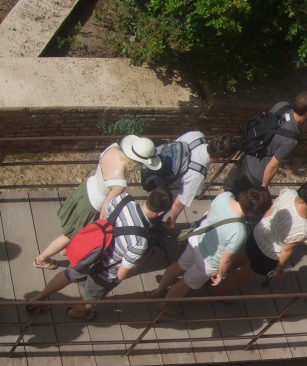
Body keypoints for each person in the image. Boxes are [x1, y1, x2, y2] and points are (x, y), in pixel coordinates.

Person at [24, 191, 172, 321]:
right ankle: (76, 313)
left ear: (149, 195)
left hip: (88, 253)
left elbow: (104, 215)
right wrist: (141, 261)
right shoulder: (140, 241)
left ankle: (38, 299)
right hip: (105, 272)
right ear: (160, 213)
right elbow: (122, 275)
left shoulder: (124, 199)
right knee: (91, 297)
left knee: (68, 275)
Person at [35, 135, 162, 270]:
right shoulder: (120, 183)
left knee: (72, 231)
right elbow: (105, 207)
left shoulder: (112, 148)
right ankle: (41, 259)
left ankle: (66, 249)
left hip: (85, 190)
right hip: (91, 206)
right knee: (68, 235)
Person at [153, 187, 273, 312]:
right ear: (254, 212)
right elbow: (226, 260)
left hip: (197, 240)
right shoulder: (239, 232)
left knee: (179, 266)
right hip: (207, 262)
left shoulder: (225, 196)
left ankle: (158, 292)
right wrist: (221, 274)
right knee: (185, 283)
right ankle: (164, 306)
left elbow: (209, 216)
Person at [213, 184, 307, 295]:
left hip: (258, 234)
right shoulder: (303, 227)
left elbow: (269, 211)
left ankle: (216, 274)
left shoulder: (289, 193)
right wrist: (279, 268)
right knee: (245, 274)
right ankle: (221, 293)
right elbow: (287, 250)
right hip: (268, 255)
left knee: (242, 258)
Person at [225, 91, 307, 194]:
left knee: (226, 188)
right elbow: (272, 166)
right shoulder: (291, 140)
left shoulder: (282, 105)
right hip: (255, 172)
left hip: (248, 154)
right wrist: (264, 187)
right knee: (239, 201)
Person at [157, 131, 241, 229]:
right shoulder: (197, 175)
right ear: (222, 158)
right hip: (164, 193)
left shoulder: (197, 135)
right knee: (155, 215)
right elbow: (179, 203)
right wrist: (172, 220)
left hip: (157, 168)